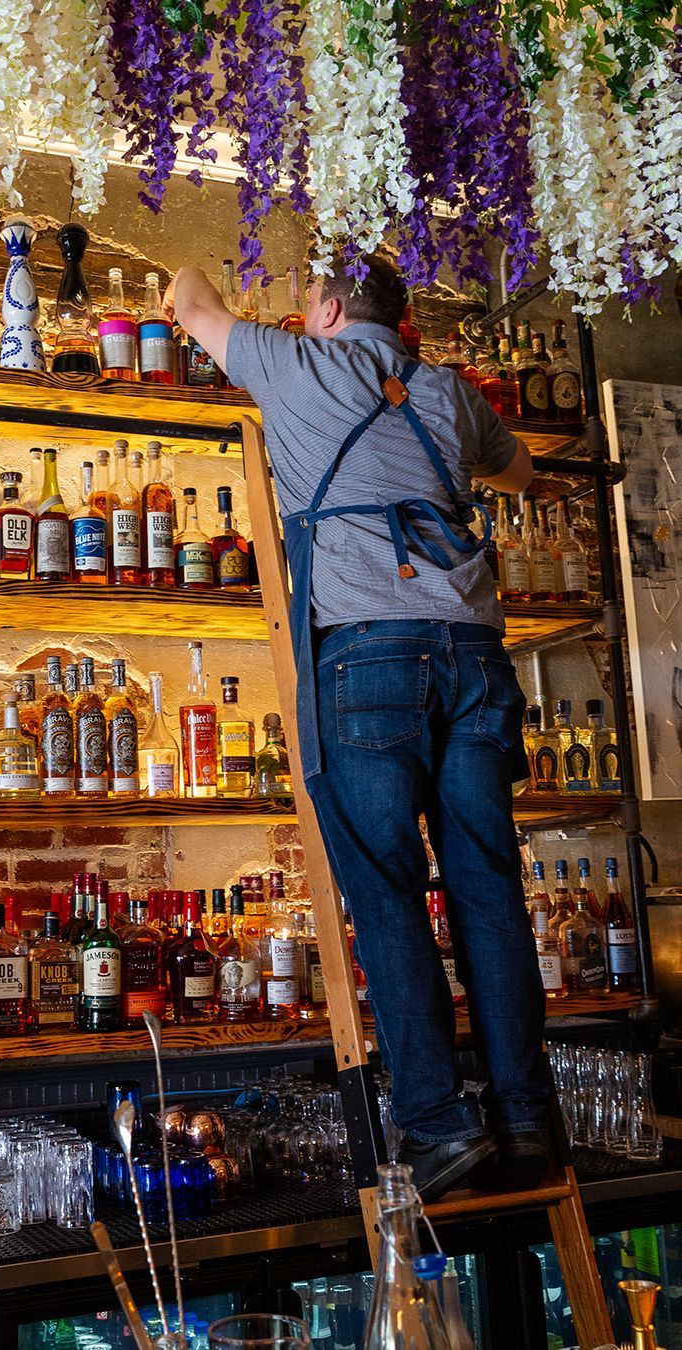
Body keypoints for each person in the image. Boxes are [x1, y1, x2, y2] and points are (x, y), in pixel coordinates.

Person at [166, 254, 551, 1200]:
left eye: (306, 300)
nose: (301, 314)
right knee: (488, 893)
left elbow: (186, 297)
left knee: (386, 892)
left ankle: (438, 1123)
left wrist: (207, 273)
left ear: (331, 309)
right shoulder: (449, 392)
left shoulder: (298, 365)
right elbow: (524, 472)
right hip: (476, 656)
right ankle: (530, 1121)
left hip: (370, 660)